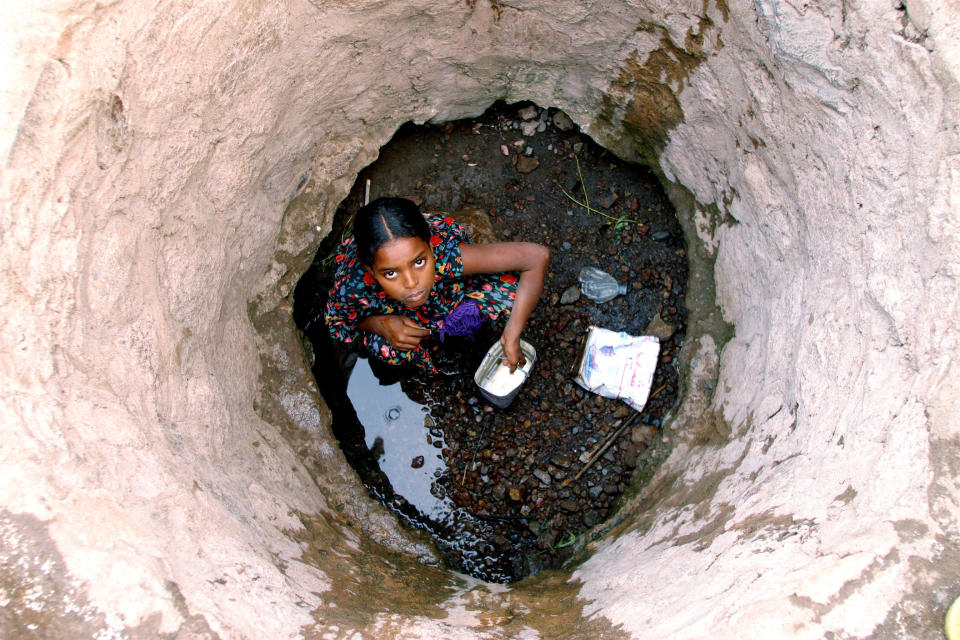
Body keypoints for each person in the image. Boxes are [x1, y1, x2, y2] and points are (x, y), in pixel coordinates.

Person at [325, 197, 549, 374]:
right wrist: (381, 325)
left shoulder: (446, 254)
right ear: (370, 269)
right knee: (388, 349)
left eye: (419, 262)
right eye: (391, 273)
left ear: (431, 248)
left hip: (444, 291)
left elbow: (536, 256)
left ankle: (447, 323)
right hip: (391, 312)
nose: (412, 283)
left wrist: (512, 333)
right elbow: (341, 320)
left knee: (509, 291)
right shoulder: (353, 286)